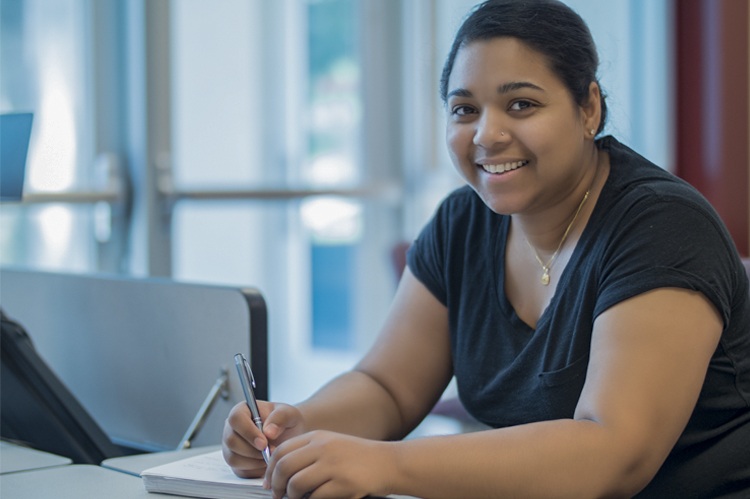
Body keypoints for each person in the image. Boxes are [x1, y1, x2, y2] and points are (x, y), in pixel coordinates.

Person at [223, 0, 750, 497]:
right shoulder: (463, 222)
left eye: (521, 104)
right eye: (465, 109)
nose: (487, 135)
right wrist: (300, 428)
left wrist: (384, 464)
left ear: (589, 107)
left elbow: (613, 453)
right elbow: (387, 387)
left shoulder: (660, 225)